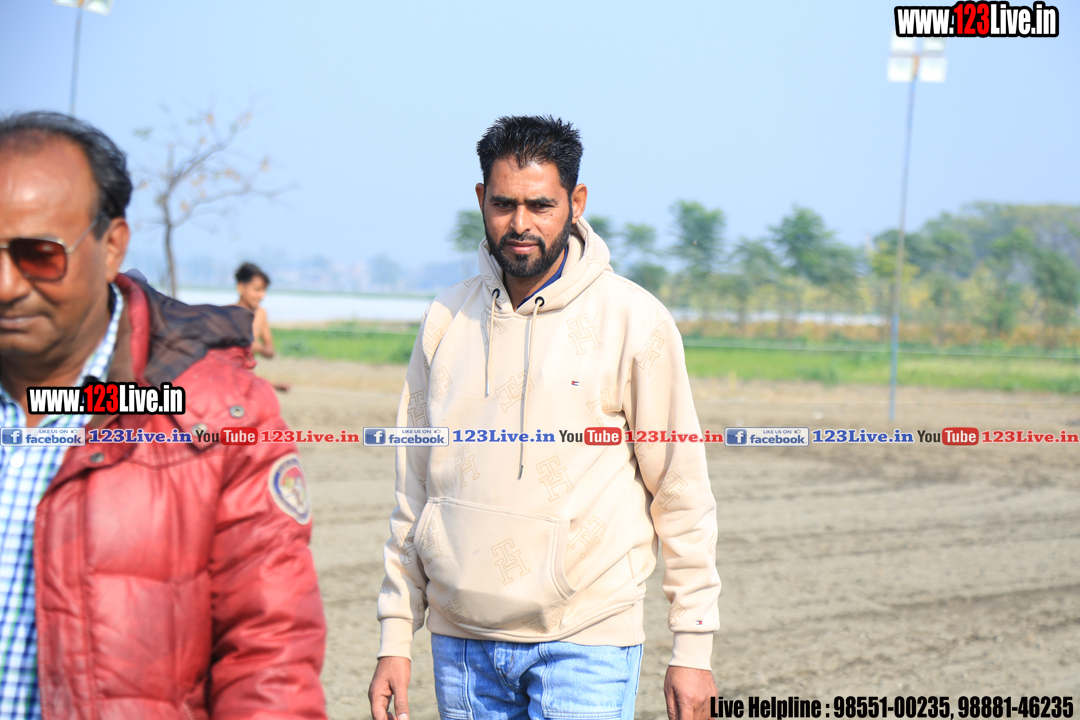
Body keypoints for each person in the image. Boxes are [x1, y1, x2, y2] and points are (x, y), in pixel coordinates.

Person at [369, 116, 721, 720]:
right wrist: (395, 637)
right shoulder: (445, 319)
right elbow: (413, 491)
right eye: (503, 204)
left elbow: (680, 490)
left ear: (576, 203)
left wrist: (692, 647)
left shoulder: (634, 321)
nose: (520, 224)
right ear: (481, 199)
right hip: (461, 647)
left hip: (586, 642)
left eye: (540, 205)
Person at [0, 111, 326, 718]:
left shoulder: (216, 415)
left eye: (39, 255)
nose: (5, 285)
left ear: (112, 246)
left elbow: (268, 656)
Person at [232, 261, 290, 392]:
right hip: (230, 378)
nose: (262, 296)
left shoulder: (261, 314)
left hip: (248, 376)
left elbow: (270, 351)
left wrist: (257, 347)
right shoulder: (227, 314)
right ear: (241, 287)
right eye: (257, 290)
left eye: (264, 291)